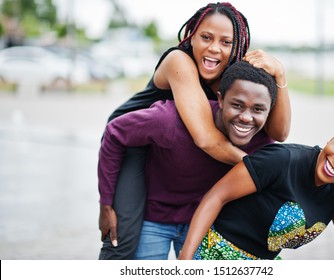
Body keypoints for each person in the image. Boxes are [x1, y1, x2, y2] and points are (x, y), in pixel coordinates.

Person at [98, 2, 291, 260]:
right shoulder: (179, 61)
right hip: (133, 140)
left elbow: (279, 133)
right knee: (122, 236)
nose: (214, 48)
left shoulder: (232, 77)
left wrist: (280, 75)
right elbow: (206, 139)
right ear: (191, 36)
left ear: (238, 47)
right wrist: (261, 171)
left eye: (226, 42)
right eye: (206, 37)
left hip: (167, 149)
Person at [179, 117, 334, 260]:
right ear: (332, 138)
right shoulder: (282, 160)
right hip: (214, 254)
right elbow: (216, 197)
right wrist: (185, 262)